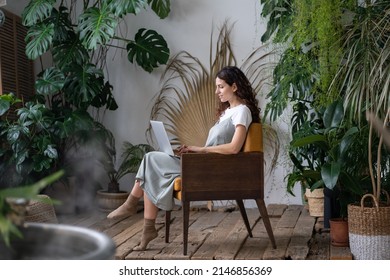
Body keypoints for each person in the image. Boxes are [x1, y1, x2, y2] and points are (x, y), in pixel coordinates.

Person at [107, 66, 261, 250]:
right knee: (152, 164)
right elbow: (215, 147)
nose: (216, 91)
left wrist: (200, 150)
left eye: (220, 87)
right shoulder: (227, 112)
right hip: (204, 162)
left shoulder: (242, 111)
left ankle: (133, 205)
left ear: (234, 87)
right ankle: (147, 226)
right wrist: (194, 151)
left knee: (150, 159)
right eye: (216, 87)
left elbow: (234, 147)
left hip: (213, 169)